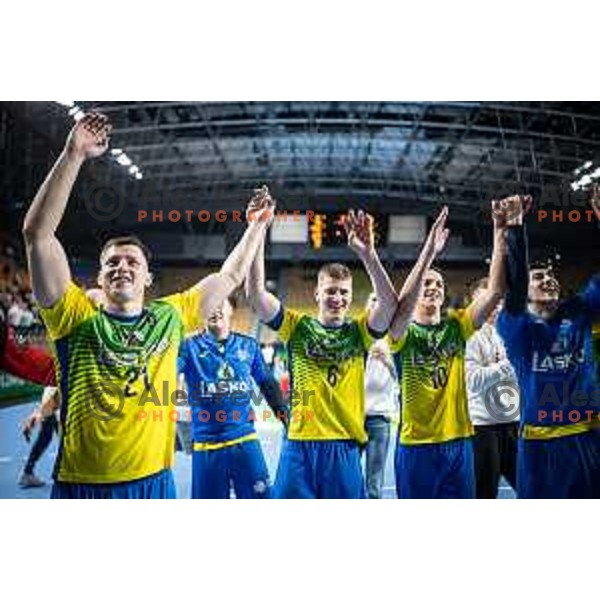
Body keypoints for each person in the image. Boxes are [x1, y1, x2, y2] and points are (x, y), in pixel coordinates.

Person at [22, 112, 274, 499]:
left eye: (132, 262)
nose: (122, 266)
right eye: (112, 263)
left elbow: (229, 277)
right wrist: (73, 154)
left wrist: (256, 226)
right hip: (82, 487)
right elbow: (38, 235)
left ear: (148, 278)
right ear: (100, 277)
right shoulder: (74, 317)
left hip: (155, 483)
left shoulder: (170, 316)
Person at [246, 206, 398, 499]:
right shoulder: (296, 326)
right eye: (330, 291)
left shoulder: (360, 333)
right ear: (317, 294)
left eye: (343, 292)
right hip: (300, 444)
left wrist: (368, 254)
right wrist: (258, 230)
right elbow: (255, 295)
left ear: (351, 296)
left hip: (343, 445)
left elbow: (390, 306)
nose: (337, 298)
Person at [389, 200, 511, 499]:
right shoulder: (401, 332)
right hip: (416, 445)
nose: (433, 287)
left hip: (459, 441)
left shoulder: (457, 326)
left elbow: (495, 291)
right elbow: (403, 306)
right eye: (427, 283)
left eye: (439, 284)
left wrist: (499, 232)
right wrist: (428, 253)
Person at [497, 192, 600, 499]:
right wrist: (515, 228)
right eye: (538, 276)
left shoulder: (579, 311)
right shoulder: (517, 327)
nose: (548, 280)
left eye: (551, 276)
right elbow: (514, 285)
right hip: (540, 446)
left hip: (588, 437)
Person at [179, 297, 286, 498]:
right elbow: (164, 374)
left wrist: (287, 419)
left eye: (221, 304)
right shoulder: (188, 347)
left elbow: (267, 385)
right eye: (210, 304)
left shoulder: (249, 346)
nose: (215, 309)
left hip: (245, 442)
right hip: (206, 447)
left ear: (231, 310)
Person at [465, 278, 519, 499]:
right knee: (485, 494)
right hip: (483, 428)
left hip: (513, 423)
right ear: (474, 303)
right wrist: (508, 364)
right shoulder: (470, 336)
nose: (494, 306)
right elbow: (473, 380)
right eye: (487, 301)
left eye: (497, 301)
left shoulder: (509, 332)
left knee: (530, 488)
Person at [363, 294, 399, 499]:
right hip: (352, 417)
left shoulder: (395, 340)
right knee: (347, 479)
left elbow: (404, 377)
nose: (377, 304)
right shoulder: (357, 337)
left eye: (380, 300)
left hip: (380, 418)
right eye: (373, 300)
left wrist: (388, 361)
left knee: (374, 484)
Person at [19, 386, 61, 488]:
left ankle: (28, 472)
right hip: (55, 406)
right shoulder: (54, 382)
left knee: (49, 438)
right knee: (47, 438)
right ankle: (27, 473)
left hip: (57, 406)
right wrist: (32, 420)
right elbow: (46, 403)